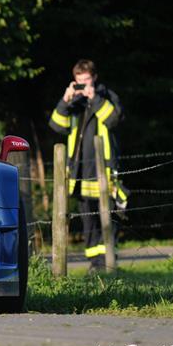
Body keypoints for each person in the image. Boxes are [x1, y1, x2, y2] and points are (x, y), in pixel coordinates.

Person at [48, 59, 128, 271]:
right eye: (79, 81)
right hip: (80, 171)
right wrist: (65, 100)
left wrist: (94, 99)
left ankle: (108, 263)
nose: (83, 85)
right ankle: (95, 264)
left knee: (107, 217)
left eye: (86, 80)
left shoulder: (107, 97)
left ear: (94, 78)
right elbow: (56, 125)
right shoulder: (73, 103)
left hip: (104, 169)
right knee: (88, 221)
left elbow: (115, 120)